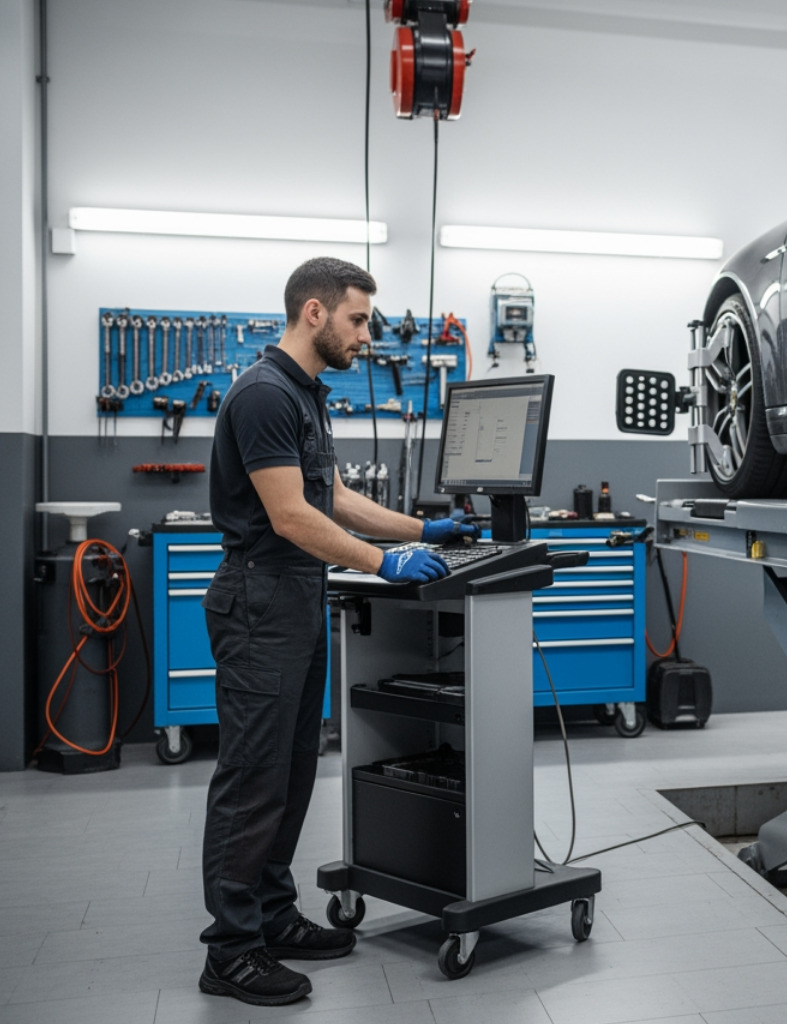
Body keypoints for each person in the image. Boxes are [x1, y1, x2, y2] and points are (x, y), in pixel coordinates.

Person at [198, 257, 475, 1006]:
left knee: (288, 774)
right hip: (260, 599)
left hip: (293, 598)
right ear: (314, 313)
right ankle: (229, 951)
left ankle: (273, 917)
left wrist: (428, 528)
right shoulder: (263, 395)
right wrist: (386, 562)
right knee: (252, 780)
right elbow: (290, 517)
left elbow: (335, 497)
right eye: (357, 320)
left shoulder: (303, 395)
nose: (367, 336)